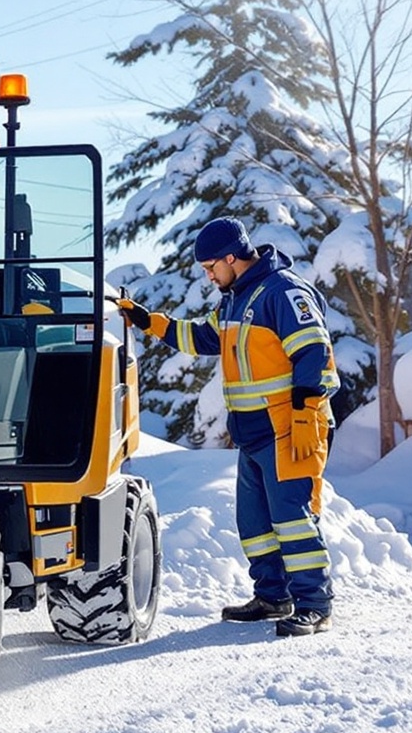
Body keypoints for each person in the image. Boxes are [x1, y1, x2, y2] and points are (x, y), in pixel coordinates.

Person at [116, 217, 341, 636]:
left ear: (231, 258)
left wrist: (305, 410)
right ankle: (274, 596)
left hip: (289, 426)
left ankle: (314, 604)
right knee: (255, 523)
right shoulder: (236, 298)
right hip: (253, 432)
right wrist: (150, 323)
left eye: (210, 268)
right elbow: (203, 338)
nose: (208, 276)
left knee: (293, 516)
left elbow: (314, 351)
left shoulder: (283, 292)